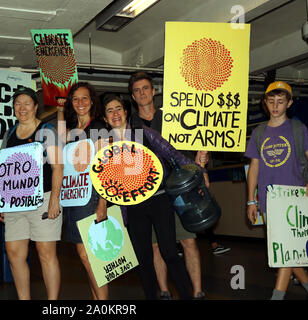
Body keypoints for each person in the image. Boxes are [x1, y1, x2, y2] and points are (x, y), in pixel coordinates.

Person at [102, 94, 200, 300]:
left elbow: (173, 154)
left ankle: (186, 296)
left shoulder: (143, 132)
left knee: (170, 253)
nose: (115, 113)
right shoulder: (104, 144)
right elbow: (102, 179)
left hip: (159, 199)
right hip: (133, 206)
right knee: (144, 258)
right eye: (109, 111)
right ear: (105, 119)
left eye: (118, 108)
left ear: (126, 111)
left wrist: (199, 174)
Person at [128, 71, 207, 299]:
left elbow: (188, 148)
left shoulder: (171, 118)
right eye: (137, 90)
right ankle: (163, 291)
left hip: (178, 190)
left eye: (145, 88)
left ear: (154, 92)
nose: (142, 93)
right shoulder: (130, 125)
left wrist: (201, 163)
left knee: (188, 241)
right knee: (155, 246)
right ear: (133, 96)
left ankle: (198, 292)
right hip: (150, 195)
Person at [245, 81, 308, 300]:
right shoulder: (258, 132)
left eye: (281, 102)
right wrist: (250, 201)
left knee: (285, 250)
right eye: (271, 101)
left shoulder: (297, 128)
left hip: (296, 199)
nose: (275, 106)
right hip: (269, 201)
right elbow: (254, 167)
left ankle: (277, 296)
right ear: (265, 102)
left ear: (289, 103)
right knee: (286, 249)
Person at [0, 86, 63, 300]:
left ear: (35, 107)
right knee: (15, 255)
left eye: (26, 103)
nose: (21, 107)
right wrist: (1, 203)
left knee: (45, 254)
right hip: (15, 203)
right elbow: (3, 171)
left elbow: (58, 167)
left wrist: (54, 199)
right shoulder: (9, 134)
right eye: (17, 103)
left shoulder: (47, 131)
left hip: (43, 200)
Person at [57, 82, 108, 299]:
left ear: (92, 102)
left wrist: (103, 202)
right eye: (75, 99)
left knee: (90, 256)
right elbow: (59, 140)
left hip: (91, 196)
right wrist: (60, 111)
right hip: (74, 197)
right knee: (86, 256)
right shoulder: (72, 130)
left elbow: (105, 166)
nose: (80, 103)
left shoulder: (98, 127)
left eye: (84, 98)